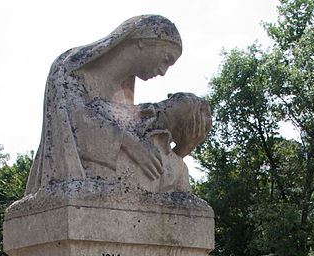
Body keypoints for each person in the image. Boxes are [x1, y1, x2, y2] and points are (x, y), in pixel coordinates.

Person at [25, 15, 211, 196]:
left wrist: (182, 150)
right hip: (71, 189)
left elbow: (134, 168)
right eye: (166, 59)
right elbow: (73, 124)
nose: (163, 71)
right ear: (144, 41)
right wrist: (130, 144)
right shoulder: (70, 66)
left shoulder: (125, 92)